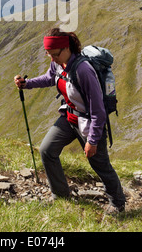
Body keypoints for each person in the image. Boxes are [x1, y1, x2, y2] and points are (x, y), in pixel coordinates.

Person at [14, 27, 125, 213]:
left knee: (100, 165)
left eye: (54, 54)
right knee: (47, 150)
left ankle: (118, 204)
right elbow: (50, 78)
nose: (52, 59)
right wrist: (27, 84)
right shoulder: (58, 63)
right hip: (69, 117)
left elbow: (98, 110)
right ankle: (61, 196)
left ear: (66, 49)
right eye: (48, 54)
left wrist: (92, 141)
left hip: (89, 124)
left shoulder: (84, 70)